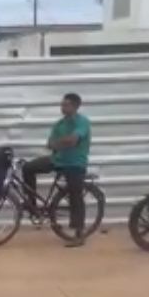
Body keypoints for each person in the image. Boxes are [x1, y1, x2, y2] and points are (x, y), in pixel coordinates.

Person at [22, 92, 93, 248]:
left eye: (66, 104)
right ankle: (32, 206)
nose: (63, 107)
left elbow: (73, 141)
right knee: (28, 168)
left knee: (75, 194)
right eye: (62, 104)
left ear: (76, 106)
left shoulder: (82, 122)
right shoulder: (59, 125)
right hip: (58, 160)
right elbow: (50, 144)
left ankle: (79, 233)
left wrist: (59, 144)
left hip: (75, 163)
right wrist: (62, 143)